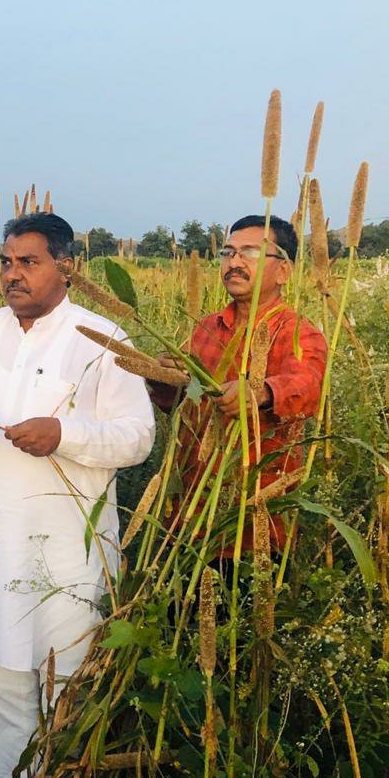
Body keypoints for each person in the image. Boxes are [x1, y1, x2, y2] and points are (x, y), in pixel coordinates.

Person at [0, 212, 155, 778]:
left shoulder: (102, 339)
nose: (13, 274)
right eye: (6, 262)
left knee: (67, 672)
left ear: (67, 268)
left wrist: (65, 432)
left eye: (29, 262)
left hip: (66, 546)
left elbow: (137, 437)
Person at [151, 214, 326, 555]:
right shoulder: (206, 328)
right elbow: (179, 404)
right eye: (228, 253)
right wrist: (162, 379)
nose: (234, 262)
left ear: (284, 270)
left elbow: (307, 384)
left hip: (252, 523)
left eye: (250, 253)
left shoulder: (296, 332)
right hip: (189, 515)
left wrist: (261, 393)